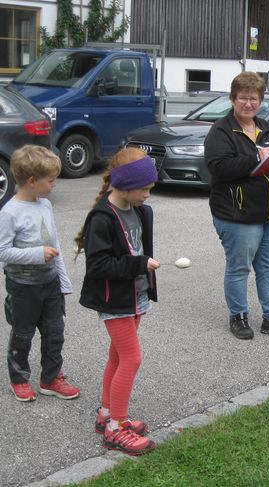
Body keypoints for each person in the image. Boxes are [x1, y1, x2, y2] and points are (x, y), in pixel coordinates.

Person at [204, 71, 269, 340]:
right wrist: (254, 157)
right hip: (237, 214)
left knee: (268, 266)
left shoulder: (265, 127)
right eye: (243, 98)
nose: (249, 104)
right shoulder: (221, 131)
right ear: (233, 99)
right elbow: (218, 168)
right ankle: (238, 316)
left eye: (254, 99)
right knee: (238, 268)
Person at [75, 147, 158, 456]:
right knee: (132, 359)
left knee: (118, 355)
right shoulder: (102, 217)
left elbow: (138, 248)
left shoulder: (140, 211)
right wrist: (140, 265)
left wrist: (143, 275)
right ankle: (115, 428)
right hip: (114, 301)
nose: (149, 194)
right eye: (145, 188)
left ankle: (107, 413)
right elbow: (97, 267)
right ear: (124, 184)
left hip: (135, 296)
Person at [0, 145, 80, 402]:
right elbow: (2, 251)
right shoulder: (10, 213)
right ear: (32, 181)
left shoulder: (45, 205)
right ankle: (19, 378)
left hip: (50, 283)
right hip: (23, 287)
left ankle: (50, 378)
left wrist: (63, 281)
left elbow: (54, 246)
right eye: (51, 180)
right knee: (23, 334)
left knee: (55, 332)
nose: (54, 184)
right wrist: (37, 254)